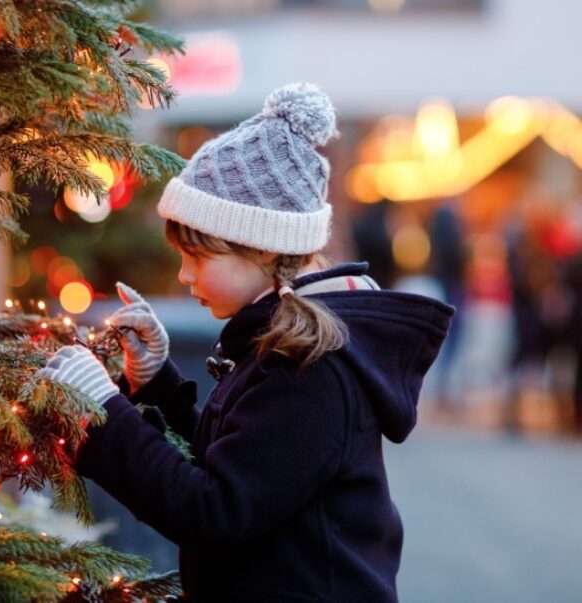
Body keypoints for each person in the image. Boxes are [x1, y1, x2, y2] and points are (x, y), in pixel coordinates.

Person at [39, 83, 454, 602]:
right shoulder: (283, 345)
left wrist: (102, 412)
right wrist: (157, 385)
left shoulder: (310, 368)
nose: (185, 276)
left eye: (198, 257)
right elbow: (243, 465)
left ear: (263, 250)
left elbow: (214, 509)